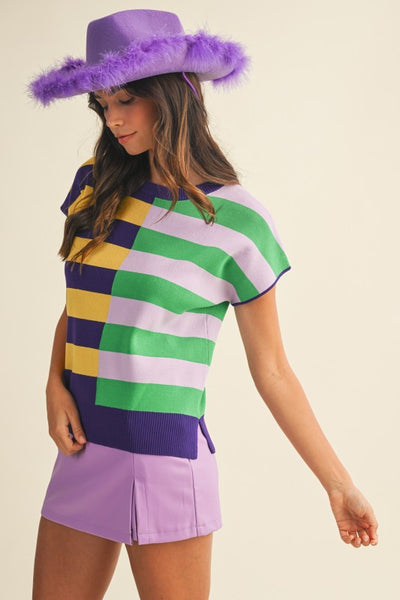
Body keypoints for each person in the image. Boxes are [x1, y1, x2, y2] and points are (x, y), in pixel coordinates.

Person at [27, 8, 379, 600]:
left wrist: (338, 484)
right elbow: (84, 301)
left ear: (174, 96)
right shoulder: (96, 182)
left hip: (162, 457)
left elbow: (273, 369)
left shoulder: (237, 221)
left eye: (126, 101)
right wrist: (53, 383)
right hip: (83, 448)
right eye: (102, 104)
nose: (113, 120)